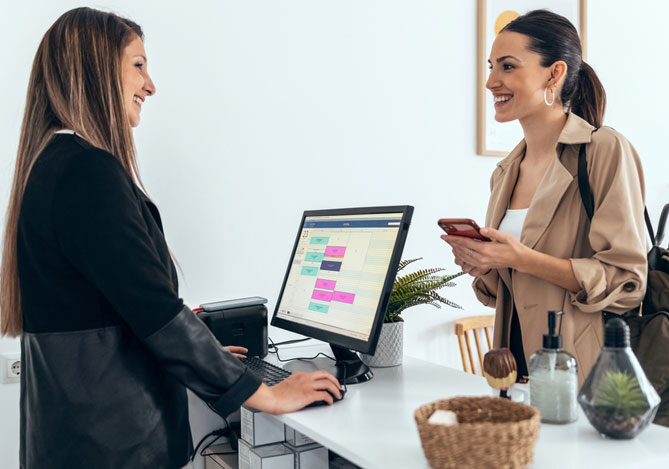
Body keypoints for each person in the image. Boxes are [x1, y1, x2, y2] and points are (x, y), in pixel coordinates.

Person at [0, 8, 340, 469]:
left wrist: (205, 353)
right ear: (96, 69)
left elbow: (109, 312)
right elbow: (154, 310)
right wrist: (265, 394)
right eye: (138, 65)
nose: (150, 85)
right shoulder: (88, 172)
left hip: (72, 442)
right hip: (114, 448)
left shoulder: (50, 165)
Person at [443, 10, 647, 385]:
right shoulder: (505, 172)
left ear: (554, 74)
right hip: (516, 368)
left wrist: (523, 258)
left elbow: (626, 280)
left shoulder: (604, 150)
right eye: (491, 66)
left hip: (583, 371)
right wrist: (486, 265)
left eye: (507, 66)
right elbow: (505, 289)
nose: (491, 81)